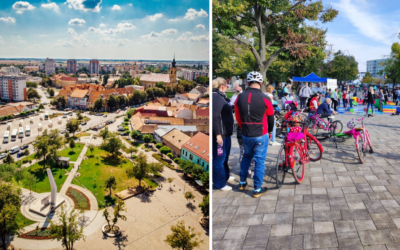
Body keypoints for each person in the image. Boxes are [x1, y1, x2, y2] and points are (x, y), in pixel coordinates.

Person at [234, 71, 274, 198]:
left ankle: (242, 182)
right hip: (260, 133)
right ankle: (257, 188)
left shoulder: (239, 97)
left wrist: (242, 127)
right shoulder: (265, 98)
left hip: (246, 133)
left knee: (246, 157)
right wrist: (270, 131)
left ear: (247, 82)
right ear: (261, 83)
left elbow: (238, 116)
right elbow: (271, 117)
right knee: (259, 161)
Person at [212, 77, 235, 191]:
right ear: (222, 86)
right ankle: (219, 183)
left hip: (226, 134)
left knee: (224, 157)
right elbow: (214, 116)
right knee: (219, 159)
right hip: (221, 136)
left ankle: (226, 176)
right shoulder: (216, 97)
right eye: (226, 86)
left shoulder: (221, 97)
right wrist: (218, 135)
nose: (226, 88)